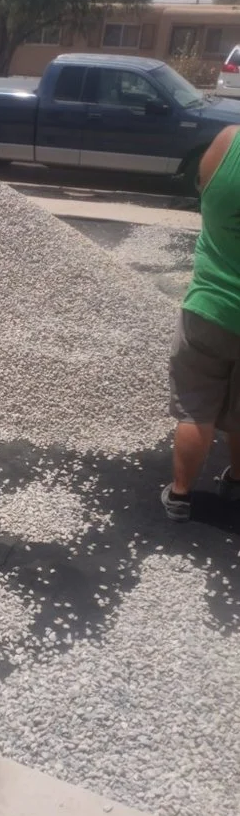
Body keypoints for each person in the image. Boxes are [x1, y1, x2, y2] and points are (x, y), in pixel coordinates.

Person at [162, 123, 240, 521]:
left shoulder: (229, 143)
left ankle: (180, 495)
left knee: (195, 409)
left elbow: (203, 191)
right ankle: (237, 482)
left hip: (211, 307)